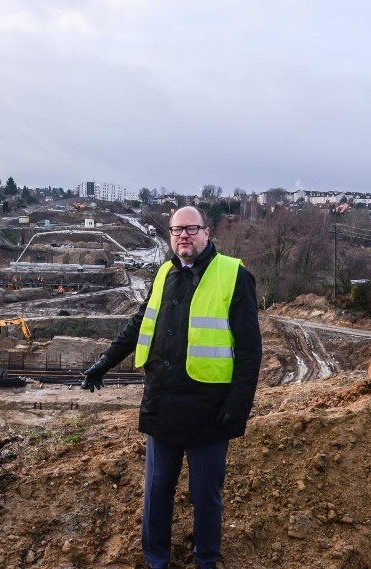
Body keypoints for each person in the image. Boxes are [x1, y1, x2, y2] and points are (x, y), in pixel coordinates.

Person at [82, 206, 262, 569]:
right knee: (157, 490)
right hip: (162, 403)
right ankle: (156, 560)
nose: (183, 235)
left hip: (209, 409)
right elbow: (138, 324)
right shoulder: (164, 273)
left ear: (206, 233)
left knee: (205, 495)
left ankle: (206, 560)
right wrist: (105, 361)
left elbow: (249, 350)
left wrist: (237, 406)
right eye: (176, 229)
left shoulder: (233, 275)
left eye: (191, 229)